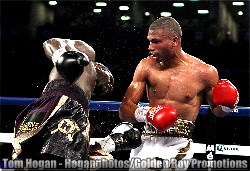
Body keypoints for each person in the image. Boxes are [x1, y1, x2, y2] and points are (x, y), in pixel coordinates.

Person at [119, 16, 239, 170]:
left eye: (156, 41)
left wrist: (228, 105)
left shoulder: (204, 72)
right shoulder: (146, 66)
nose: (150, 47)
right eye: (149, 41)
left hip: (178, 145)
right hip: (146, 141)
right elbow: (124, 110)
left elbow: (217, 112)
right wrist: (148, 114)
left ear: (174, 41)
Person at [12, 38, 115, 165]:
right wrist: (60, 55)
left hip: (45, 110)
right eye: (111, 79)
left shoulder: (81, 102)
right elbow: (50, 42)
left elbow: (74, 149)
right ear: (100, 67)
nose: (110, 86)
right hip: (59, 103)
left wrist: (110, 143)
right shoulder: (87, 59)